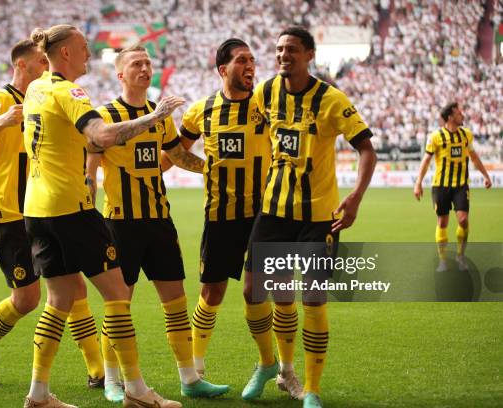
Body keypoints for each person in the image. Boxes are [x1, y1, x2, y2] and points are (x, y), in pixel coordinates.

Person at [22, 25, 185, 408]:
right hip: (70, 209)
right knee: (117, 296)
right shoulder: (69, 91)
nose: (88, 55)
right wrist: (154, 117)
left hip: (36, 208)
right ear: (64, 54)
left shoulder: (36, 88)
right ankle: (136, 391)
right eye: (83, 49)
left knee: (58, 298)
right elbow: (102, 135)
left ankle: (39, 394)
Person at [242, 26, 377, 408]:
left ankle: (312, 389)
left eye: (293, 50)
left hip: (319, 218)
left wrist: (355, 197)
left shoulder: (332, 100)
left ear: (310, 55)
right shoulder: (265, 92)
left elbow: (367, 150)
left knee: (313, 298)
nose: (284, 55)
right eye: (280, 48)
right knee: (257, 292)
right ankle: (276, 368)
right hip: (273, 212)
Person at [87, 44, 229, 403]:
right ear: (120, 74)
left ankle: (189, 379)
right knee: (119, 305)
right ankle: (113, 380)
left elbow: (175, 154)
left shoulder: (160, 113)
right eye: (137, 63)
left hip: (159, 221)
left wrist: (209, 166)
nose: (145, 68)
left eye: (148, 62)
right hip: (121, 223)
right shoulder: (106, 116)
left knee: (176, 304)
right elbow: (90, 167)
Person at [164, 37, 301, 399]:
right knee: (211, 292)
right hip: (220, 214)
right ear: (224, 69)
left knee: (278, 291)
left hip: (267, 215)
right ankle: (194, 372)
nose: (251, 66)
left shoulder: (266, 104)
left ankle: (283, 370)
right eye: (242, 60)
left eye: (253, 60)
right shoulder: (201, 110)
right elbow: (176, 152)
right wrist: (204, 167)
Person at [0, 39, 106, 390]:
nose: (47, 67)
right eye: (41, 63)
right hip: (6, 211)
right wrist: (1, 121)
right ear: (23, 66)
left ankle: (98, 370)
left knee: (74, 286)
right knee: (27, 298)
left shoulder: (43, 96)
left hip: (42, 209)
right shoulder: (2, 98)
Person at [414, 102, 492, 271]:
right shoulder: (435, 137)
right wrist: (418, 182)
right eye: (459, 113)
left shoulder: (466, 135)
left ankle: (460, 256)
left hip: (461, 186)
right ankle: (442, 260)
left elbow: (474, 157)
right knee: (442, 222)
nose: (462, 115)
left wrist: (485, 175)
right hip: (441, 186)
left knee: (463, 220)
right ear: (450, 117)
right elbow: (426, 160)